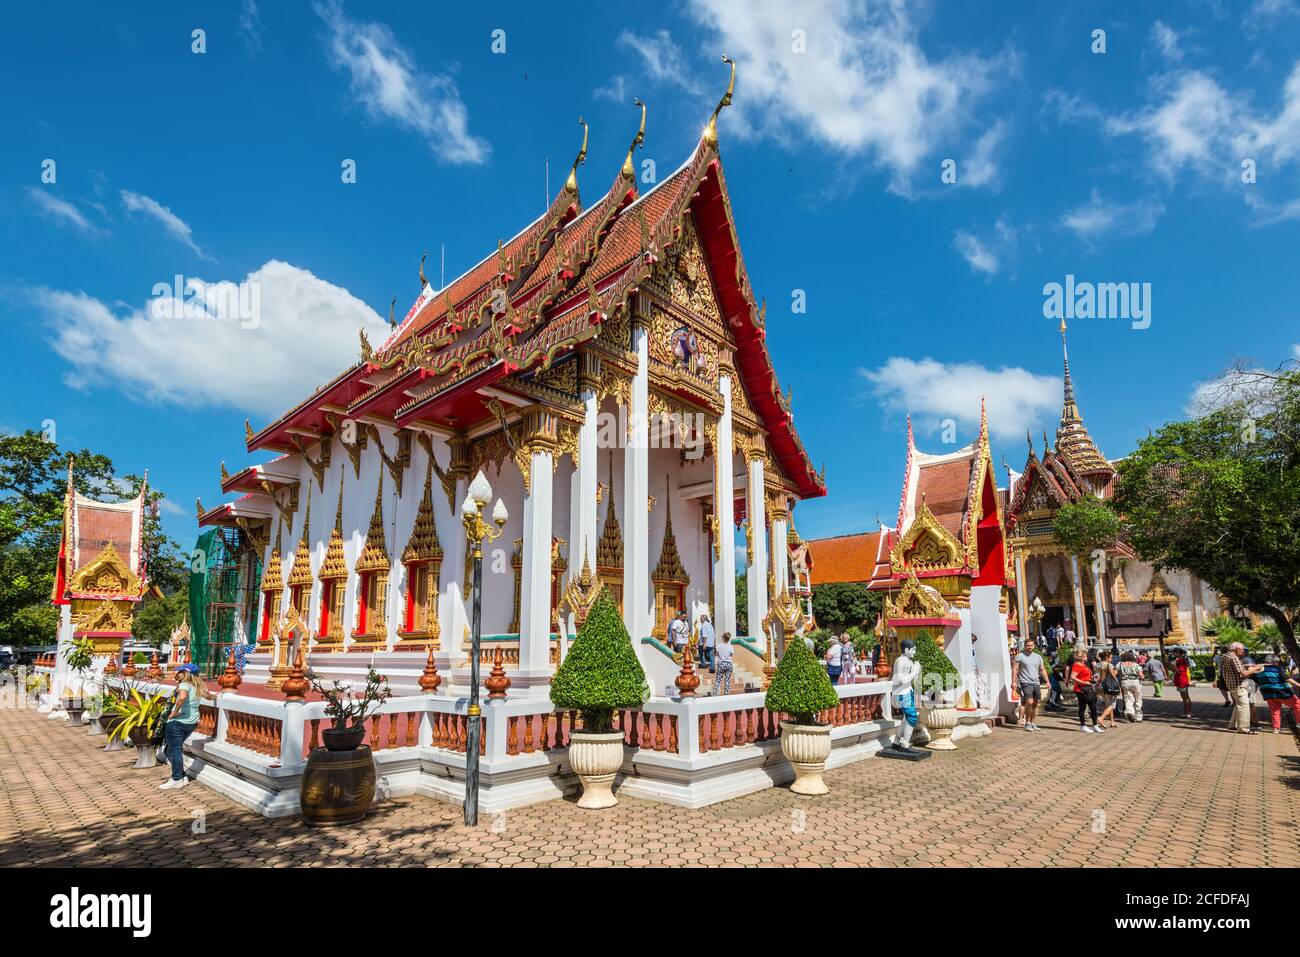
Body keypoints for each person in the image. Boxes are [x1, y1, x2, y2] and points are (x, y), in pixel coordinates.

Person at [159, 664, 213, 790]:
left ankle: (176, 778)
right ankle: (182, 777)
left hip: (178, 722)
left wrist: (175, 711)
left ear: (186, 673)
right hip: (192, 722)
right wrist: (218, 696)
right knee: (170, 750)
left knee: (174, 750)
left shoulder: (185, 684)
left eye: (179, 672)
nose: (177, 674)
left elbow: (182, 698)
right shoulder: (199, 686)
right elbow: (209, 697)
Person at [1220, 641, 1264, 734]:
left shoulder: (1225, 656)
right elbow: (1244, 674)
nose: (1243, 651)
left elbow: (1234, 669)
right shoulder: (1234, 657)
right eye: (1242, 649)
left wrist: (1247, 666)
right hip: (1238, 685)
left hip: (1231, 684)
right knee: (1244, 706)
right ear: (1237, 649)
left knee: (1239, 704)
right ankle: (1243, 729)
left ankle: (1232, 725)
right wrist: (1255, 668)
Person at [1012, 637, 1050, 731]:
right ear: (1025, 646)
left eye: (1031, 645)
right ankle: (1027, 722)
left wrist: (1047, 681)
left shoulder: (1038, 657)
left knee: (1035, 704)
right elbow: (1015, 669)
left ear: (1034, 646)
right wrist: (1014, 682)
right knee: (1029, 702)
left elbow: (1042, 670)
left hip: (1036, 682)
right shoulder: (1020, 656)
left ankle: (1033, 723)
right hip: (1025, 682)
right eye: (1027, 645)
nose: (1029, 647)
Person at [1255, 655, 1300, 734]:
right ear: (1274, 662)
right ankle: (1299, 723)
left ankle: (1276, 729)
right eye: (1277, 662)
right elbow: (1288, 679)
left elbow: (1257, 681)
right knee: (1297, 704)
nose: (1278, 663)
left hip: (1267, 693)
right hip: (1282, 692)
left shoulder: (1258, 670)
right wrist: (1298, 685)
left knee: (1275, 710)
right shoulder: (1276, 669)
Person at [1070, 649, 1101, 733]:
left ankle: (1095, 725)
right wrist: (1084, 682)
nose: (1087, 657)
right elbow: (1073, 677)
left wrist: (1093, 678)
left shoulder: (1084, 665)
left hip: (1088, 687)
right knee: (1083, 707)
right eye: (1085, 656)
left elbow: (1084, 676)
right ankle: (1083, 725)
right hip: (1081, 689)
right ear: (1081, 657)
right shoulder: (1077, 665)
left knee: (1093, 707)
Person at [1094, 650, 1120, 729]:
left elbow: (1096, 676)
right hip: (1109, 686)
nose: (1111, 659)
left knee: (1108, 704)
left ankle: (1112, 722)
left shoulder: (1097, 665)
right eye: (1111, 657)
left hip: (1100, 686)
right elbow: (1113, 676)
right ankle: (1101, 718)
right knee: (1112, 705)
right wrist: (1118, 685)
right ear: (1106, 657)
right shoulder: (1109, 665)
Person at [1118, 651, 1144, 722]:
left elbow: (1114, 673)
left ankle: (1130, 712)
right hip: (1135, 682)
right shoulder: (1136, 665)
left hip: (1125, 682)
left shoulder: (1120, 664)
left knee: (1128, 698)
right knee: (1138, 698)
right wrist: (1141, 678)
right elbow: (1142, 676)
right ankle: (1138, 716)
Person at [1172, 650, 1193, 718]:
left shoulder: (1181, 660)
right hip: (1180, 680)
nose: (1173, 653)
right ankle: (1186, 711)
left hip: (1182, 680)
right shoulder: (1179, 660)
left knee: (1185, 697)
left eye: (1174, 652)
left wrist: (1172, 665)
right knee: (1184, 697)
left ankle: (1188, 712)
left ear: (1178, 653)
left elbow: (1179, 671)